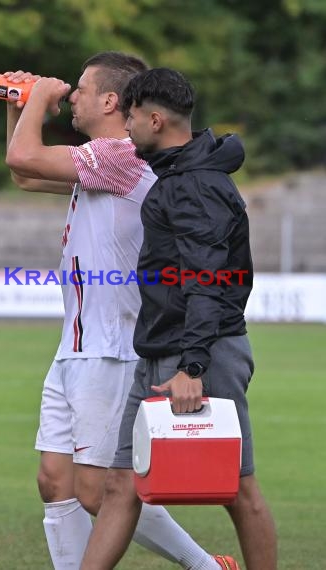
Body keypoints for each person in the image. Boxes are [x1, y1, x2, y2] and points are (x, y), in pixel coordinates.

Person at [6, 52, 230, 569]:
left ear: (111, 100)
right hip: (77, 345)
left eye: (81, 89)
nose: (73, 97)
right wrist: (19, 107)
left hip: (112, 346)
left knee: (97, 491)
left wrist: (39, 96)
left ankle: (205, 566)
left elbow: (24, 161)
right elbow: (25, 173)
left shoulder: (120, 154)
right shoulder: (100, 159)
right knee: (54, 481)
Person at [80, 68, 278, 570]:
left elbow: (208, 278)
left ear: (155, 118)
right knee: (122, 482)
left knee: (238, 488)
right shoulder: (177, 177)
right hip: (159, 352)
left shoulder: (196, 185)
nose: (125, 128)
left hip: (200, 354)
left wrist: (193, 366)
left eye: (130, 119)